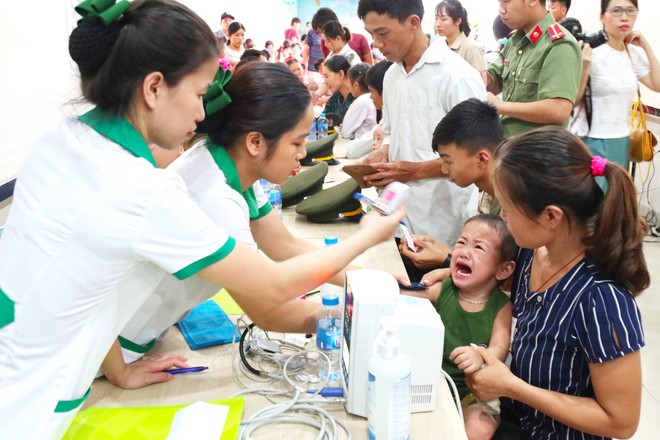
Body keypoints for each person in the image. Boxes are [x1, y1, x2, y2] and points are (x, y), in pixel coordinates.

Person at [0, 1, 403, 437]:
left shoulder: (64, 138)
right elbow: (271, 289)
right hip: (29, 398)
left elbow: (79, 283)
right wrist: (365, 237)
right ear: (154, 88)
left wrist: (116, 368)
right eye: (197, 93)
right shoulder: (144, 191)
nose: (201, 112)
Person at [102, 63, 363, 389]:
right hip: (110, 351)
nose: (302, 153)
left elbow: (285, 247)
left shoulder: (228, 164)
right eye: (296, 143)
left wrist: (368, 281)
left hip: (126, 338)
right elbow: (269, 308)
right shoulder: (214, 197)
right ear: (255, 142)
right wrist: (351, 315)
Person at [466, 126, 648, 440]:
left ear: (552, 216)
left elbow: (621, 421)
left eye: (508, 210)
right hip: (519, 419)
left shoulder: (601, 299)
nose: (503, 219)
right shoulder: (532, 252)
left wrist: (513, 387)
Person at [357, 0, 486, 283]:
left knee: (438, 296)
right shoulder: (392, 74)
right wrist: (383, 154)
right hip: (402, 212)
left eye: (383, 33)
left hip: (442, 215)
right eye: (370, 35)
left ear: (413, 23)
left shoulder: (456, 76)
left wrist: (413, 171)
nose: (376, 43)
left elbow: (474, 158)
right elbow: (391, 130)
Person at [413, 214, 516, 440]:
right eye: (461, 242)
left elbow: (501, 346)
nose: (465, 251)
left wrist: (481, 356)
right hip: (431, 383)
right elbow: (408, 292)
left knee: (478, 430)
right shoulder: (443, 289)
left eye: (479, 247)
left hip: (474, 393)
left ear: (503, 270)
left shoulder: (500, 306)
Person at [400, 98, 505, 276]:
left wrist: (445, 257)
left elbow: (504, 280)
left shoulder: (512, 206)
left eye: (448, 161)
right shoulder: (489, 194)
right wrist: (443, 251)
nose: (443, 169)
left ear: (481, 159)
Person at [576, 0, 660, 168]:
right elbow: (572, 101)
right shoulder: (588, 50)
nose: (624, 17)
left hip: (622, 140)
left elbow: (657, 85)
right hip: (590, 140)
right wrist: (584, 68)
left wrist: (646, 45)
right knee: (595, 193)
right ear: (602, 17)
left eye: (630, 11)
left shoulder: (632, 54)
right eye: (616, 11)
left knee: (617, 192)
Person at [486, 0, 581, 138]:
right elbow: (495, 81)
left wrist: (501, 106)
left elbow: (559, 110)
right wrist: (482, 77)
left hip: (535, 152)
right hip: (507, 146)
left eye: (506, 1)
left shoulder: (558, 44)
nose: (501, 10)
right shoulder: (515, 40)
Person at [345, 60, 392, 159]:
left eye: (373, 92)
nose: (371, 97)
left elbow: (352, 150)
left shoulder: (362, 101)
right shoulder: (389, 114)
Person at [435, 0, 487, 83]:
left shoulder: (471, 48)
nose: (437, 24)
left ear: (458, 21)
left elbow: (480, 84)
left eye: (443, 19)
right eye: (436, 18)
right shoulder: (440, 48)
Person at [340, 63, 377, 140]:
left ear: (356, 85)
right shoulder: (373, 98)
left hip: (361, 144)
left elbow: (345, 133)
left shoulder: (361, 102)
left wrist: (344, 128)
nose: (349, 87)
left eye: (349, 83)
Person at [322, 55, 355, 124]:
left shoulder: (357, 97)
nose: (325, 82)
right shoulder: (336, 96)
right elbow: (323, 119)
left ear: (341, 74)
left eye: (327, 76)